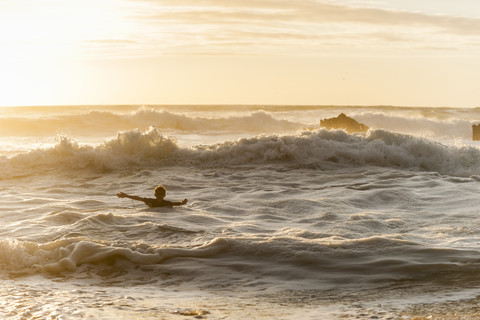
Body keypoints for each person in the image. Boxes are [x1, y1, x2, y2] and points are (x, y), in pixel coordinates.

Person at [117, 185, 188, 208]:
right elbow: (138, 198)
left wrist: (183, 203)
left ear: (164, 195)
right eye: (158, 194)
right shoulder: (150, 201)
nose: (159, 196)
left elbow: (176, 204)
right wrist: (126, 196)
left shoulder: (166, 203)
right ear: (155, 195)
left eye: (161, 194)